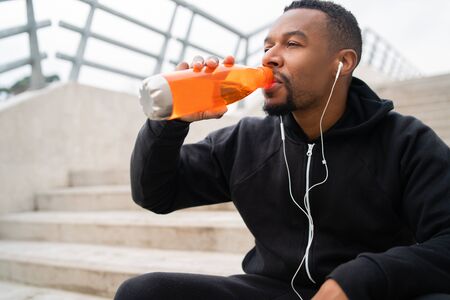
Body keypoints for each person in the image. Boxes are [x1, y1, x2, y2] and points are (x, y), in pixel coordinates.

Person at [115, 0, 450, 299]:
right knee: (143, 293)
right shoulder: (246, 139)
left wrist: (361, 278)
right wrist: (170, 123)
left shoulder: (405, 141)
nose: (269, 57)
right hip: (274, 290)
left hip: (368, 293)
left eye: (291, 44)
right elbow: (155, 194)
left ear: (343, 62)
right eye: (266, 46)